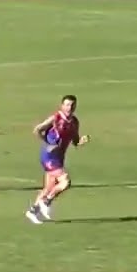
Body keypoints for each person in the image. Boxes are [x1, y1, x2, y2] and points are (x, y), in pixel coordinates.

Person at [26, 95, 90, 224]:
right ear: (62, 105)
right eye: (67, 105)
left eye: (72, 105)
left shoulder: (74, 122)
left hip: (59, 158)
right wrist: (48, 144)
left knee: (48, 188)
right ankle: (47, 201)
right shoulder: (55, 118)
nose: (69, 108)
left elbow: (75, 141)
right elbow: (37, 130)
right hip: (48, 156)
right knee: (65, 181)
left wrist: (81, 141)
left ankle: (33, 211)